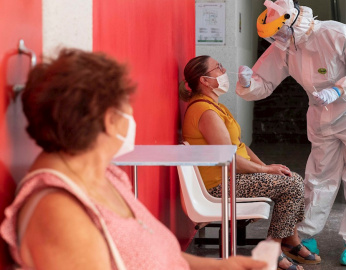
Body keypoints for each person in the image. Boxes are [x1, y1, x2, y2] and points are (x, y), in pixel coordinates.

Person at [0, 49, 268, 270]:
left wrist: (222, 266)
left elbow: (152, 255)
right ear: (109, 118)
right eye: (126, 104)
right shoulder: (59, 213)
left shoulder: (105, 175)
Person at [235, 0, 346, 266]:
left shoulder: (337, 33)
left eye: (279, 33)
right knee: (318, 178)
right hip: (322, 118)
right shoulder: (285, 46)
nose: (277, 39)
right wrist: (249, 82)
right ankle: (305, 234)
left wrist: (339, 89)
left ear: (293, 21)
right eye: (273, 35)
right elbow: (265, 80)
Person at [180, 55, 321, 270]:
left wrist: (268, 168)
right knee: (292, 185)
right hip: (220, 186)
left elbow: (240, 146)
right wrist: (265, 170)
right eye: (218, 68)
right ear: (204, 81)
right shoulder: (205, 112)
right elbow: (227, 158)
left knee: (289, 177)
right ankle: (273, 250)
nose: (224, 70)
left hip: (232, 177)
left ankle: (290, 240)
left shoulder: (215, 107)